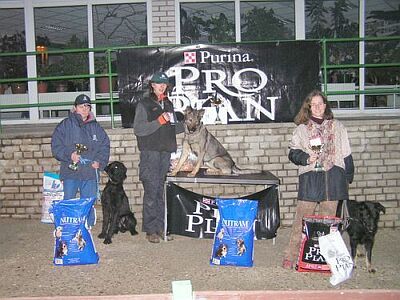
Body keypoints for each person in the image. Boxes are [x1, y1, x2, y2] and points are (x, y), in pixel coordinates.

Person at [282, 89, 354, 269]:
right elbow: (293, 153)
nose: (317, 107)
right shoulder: (301, 129)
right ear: (308, 107)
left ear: (325, 106)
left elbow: (346, 154)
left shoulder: (338, 127)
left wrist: (347, 177)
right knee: (301, 220)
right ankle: (290, 257)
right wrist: (307, 159)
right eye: (313, 104)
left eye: (320, 104)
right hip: (310, 179)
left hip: (333, 179)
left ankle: (327, 260)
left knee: (329, 224)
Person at [133, 72, 184, 243]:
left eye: (164, 84)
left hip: (165, 153)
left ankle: (162, 227)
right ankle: (150, 230)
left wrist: (189, 123)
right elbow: (138, 130)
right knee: (151, 191)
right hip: (150, 153)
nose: (162, 86)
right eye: (158, 84)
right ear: (152, 86)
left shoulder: (168, 103)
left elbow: (175, 128)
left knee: (161, 191)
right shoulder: (144, 104)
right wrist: (158, 122)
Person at [51, 94, 110, 226]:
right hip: (70, 171)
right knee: (69, 201)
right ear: (74, 108)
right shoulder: (65, 125)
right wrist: (69, 155)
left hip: (89, 172)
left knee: (88, 202)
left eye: (87, 106)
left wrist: (99, 162)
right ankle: (68, 227)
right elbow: (56, 146)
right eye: (81, 106)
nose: (84, 109)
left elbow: (105, 145)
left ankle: (87, 226)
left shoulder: (96, 128)